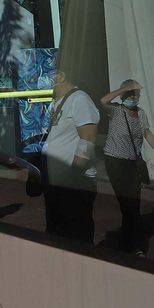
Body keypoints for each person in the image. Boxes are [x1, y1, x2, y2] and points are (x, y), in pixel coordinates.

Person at [100, 79, 154, 254]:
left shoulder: (141, 113)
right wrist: (124, 87)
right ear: (123, 95)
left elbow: (147, 133)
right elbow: (103, 101)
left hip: (133, 164)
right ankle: (135, 246)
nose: (133, 97)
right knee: (127, 205)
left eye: (136, 94)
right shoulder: (115, 110)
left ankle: (127, 245)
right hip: (115, 161)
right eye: (129, 94)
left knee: (133, 205)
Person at [42, 68, 100, 242]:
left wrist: (73, 174)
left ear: (61, 76)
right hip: (56, 181)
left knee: (77, 235)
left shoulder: (79, 99)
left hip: (75, 182)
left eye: (47, 76)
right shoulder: (55, 102)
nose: (42, 80)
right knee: (56, 232)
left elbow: (88, 139)